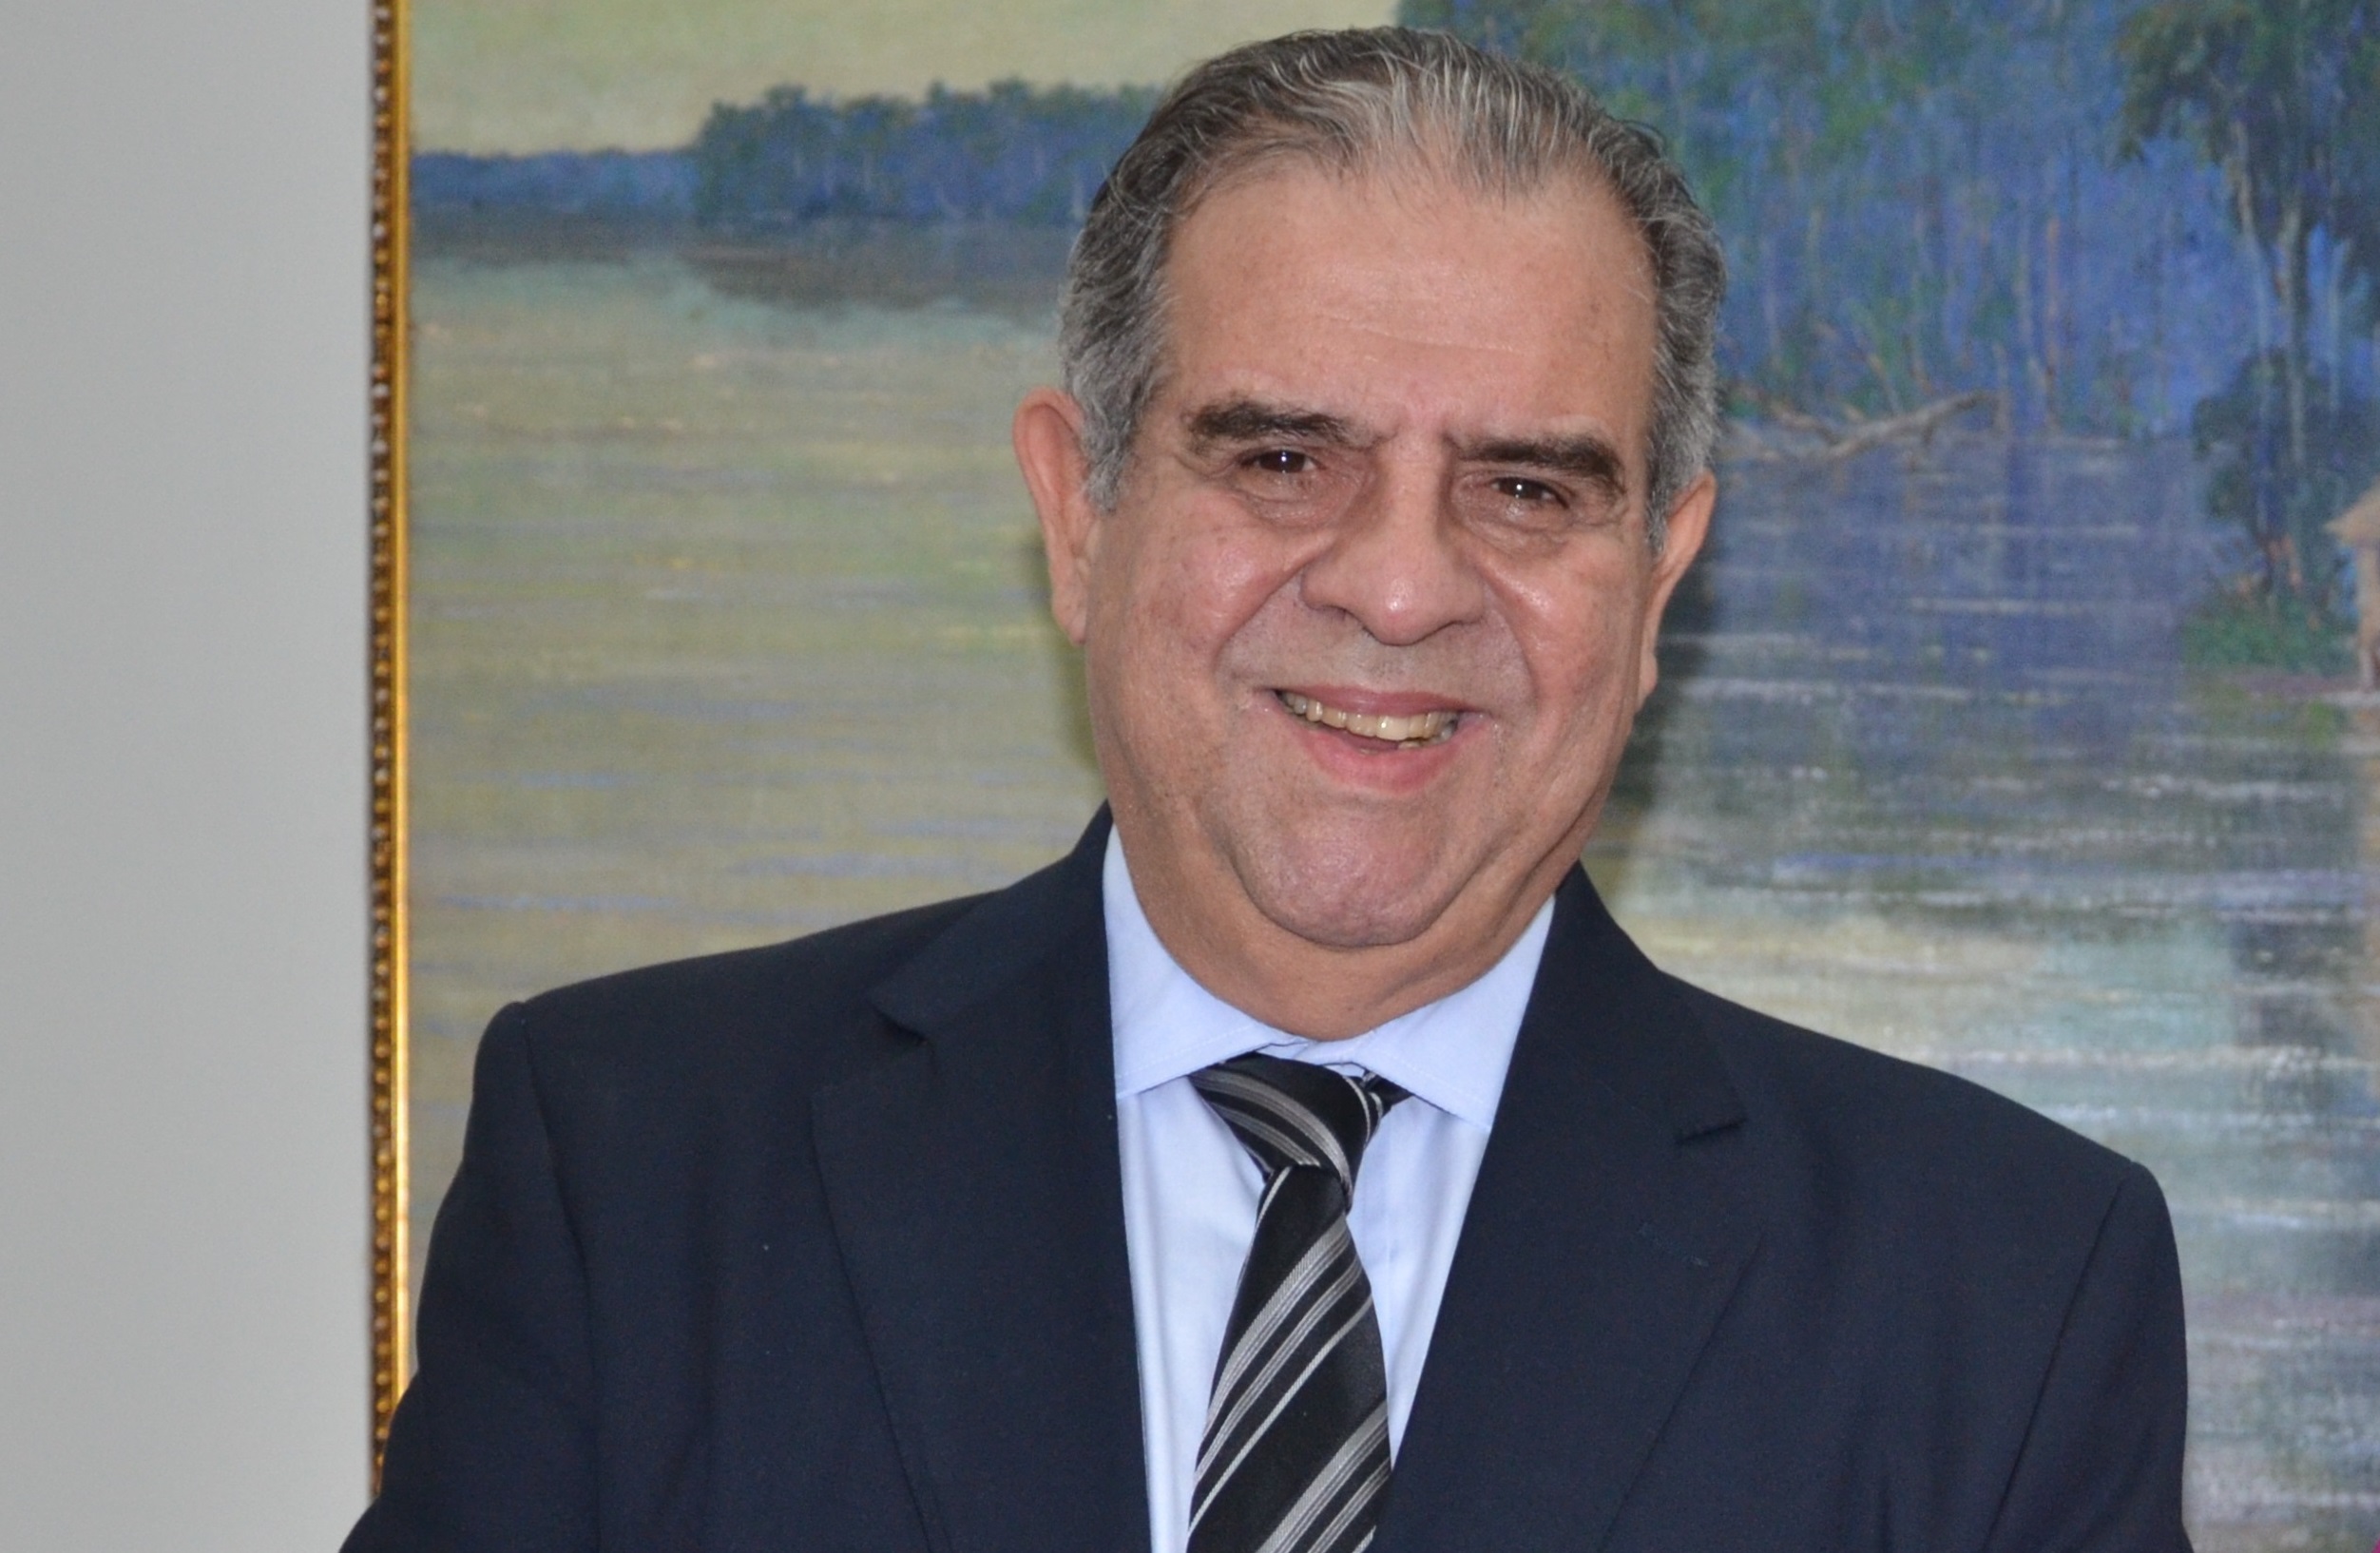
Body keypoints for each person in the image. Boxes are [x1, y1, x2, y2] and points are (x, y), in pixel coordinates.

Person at [347, 28, 2192, 1553]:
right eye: (1285, 459)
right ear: (1078, 513)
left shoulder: (2000, 1294)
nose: (1398, 588)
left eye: (1525, 489)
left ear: (1655, 584)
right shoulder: (639, 1169)